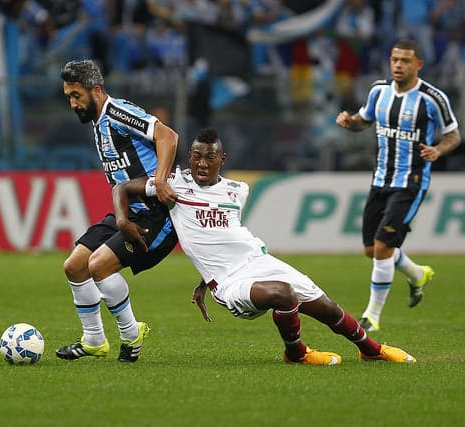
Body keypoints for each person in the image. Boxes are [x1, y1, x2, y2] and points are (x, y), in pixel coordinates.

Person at [113, 128, 416, 365]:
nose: (201, 163)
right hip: (230, 284)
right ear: (190, 156)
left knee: (326, 306)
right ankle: (296, 353)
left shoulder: (237, 190)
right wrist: (123, 221)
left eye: (209, 157)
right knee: (283, 294)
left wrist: (200, 279)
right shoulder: (173, 183)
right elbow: (122, 187)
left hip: (260, 260)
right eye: (196, 156)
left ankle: (371, 350)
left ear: (223, 159)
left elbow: (222, 238)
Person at [56, 59, 179, 363]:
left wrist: (161, 180)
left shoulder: (118, 112)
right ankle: (95, 340)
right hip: (127, 210)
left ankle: (130, 334)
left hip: (154, 214)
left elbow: (168, 136)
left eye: (76, 96)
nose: (72, 104)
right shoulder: (99, 123)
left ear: (95, 90)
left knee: (98, 266)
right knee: (74, 266)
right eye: (68, 97)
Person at [336, 39, 461, 332]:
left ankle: (372, 317)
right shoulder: (379, 91)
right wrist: (349, 121)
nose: (398, 65)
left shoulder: (433, 98)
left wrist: (438, 150)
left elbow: (454, 135)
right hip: (380, 179)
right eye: (394, 59)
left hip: (411, 183)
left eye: (405, 61)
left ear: (419, 64)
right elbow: (363, 121)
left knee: (382, 247)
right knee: (372, 249)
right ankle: (417, 274)